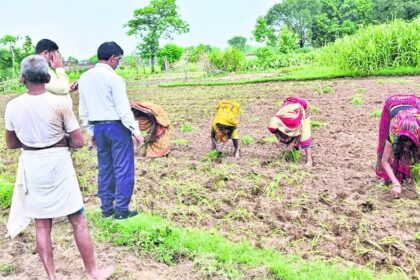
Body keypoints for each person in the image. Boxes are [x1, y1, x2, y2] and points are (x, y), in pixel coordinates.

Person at [4, 55, 113, 280]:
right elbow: (78, 141)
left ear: (23, 78)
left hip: (33, 165)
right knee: (78, 220)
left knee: (42, 225)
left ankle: (52, 276)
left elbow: (12, 144)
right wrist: (59, 140)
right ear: (46, 77)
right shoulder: (59, 103)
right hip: (58, 164)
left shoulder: (13, 106)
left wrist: (34, 142)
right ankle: (93, 272)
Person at [78, 41, 144, 220]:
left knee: (105, 168)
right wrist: (136, 131)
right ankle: (122, 210)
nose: (119, 63)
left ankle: (107, 209)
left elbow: (83, 109)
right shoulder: (114, 79)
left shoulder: (84, 78)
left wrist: (91, 131)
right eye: (119, 59)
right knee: (123, 168)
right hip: (116, 127)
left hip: (99, 127)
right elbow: (123, 109)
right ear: (113, 58)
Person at [375, 94, 419, 199]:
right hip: (393, 102)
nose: (406, 147)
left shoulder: (418, 130)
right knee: (383, 143)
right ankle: (391, 176)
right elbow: (384, 161)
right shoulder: (394, 129)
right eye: (405, 143)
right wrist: (395, 184)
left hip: (415, 103)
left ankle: (410, 176)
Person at [268, 96, 313, 167]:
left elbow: (299, 132)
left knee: (305, 134)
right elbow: (277, 133)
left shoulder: (293, 121)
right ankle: (291, 150)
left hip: (303, 107)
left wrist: (291, 143)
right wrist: (281, 141)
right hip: (290, 108)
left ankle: (309, 160)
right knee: (286, 137)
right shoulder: (276, 120)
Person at [35, 39, 78, 105]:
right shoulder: (39, 68)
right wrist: (59, 68)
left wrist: (68, 88)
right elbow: (62, 89)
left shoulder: (43, 67)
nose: (57, 58)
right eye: (54, 54)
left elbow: (55, 89)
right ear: (46, 53)